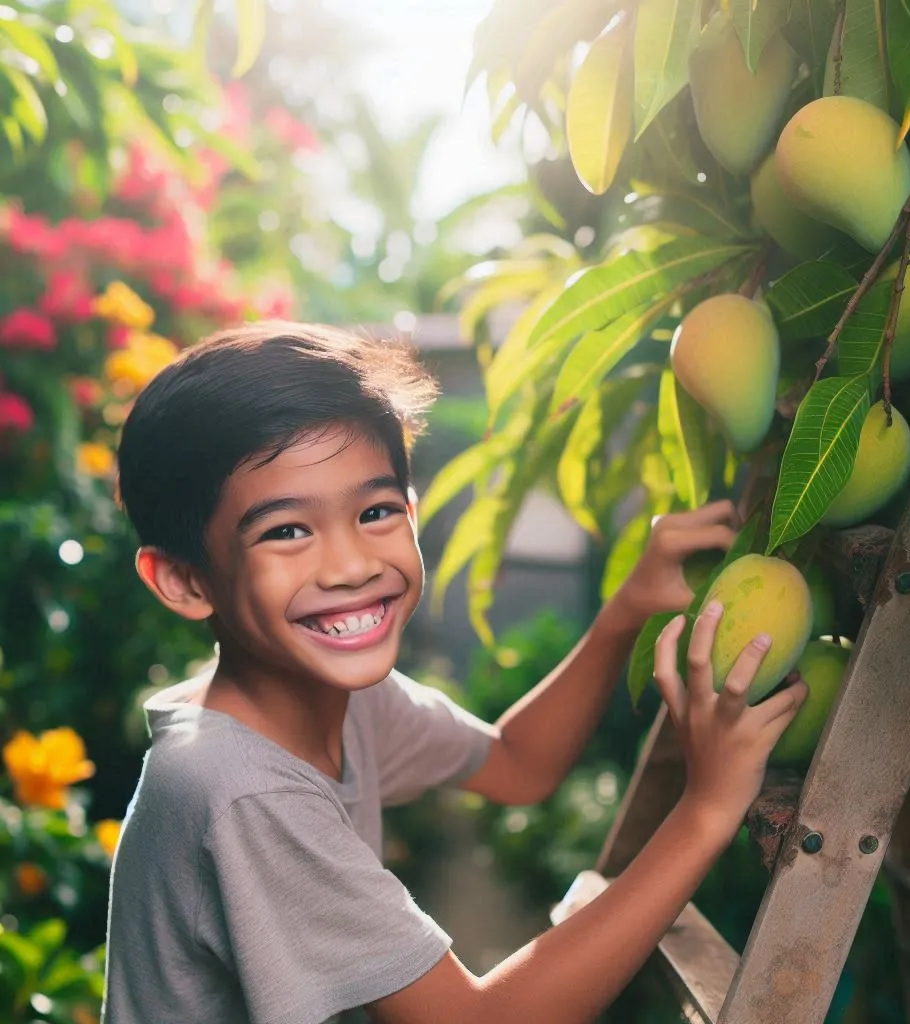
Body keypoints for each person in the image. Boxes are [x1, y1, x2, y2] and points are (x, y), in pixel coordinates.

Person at [102, 320, 807, 1024]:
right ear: (186, 580)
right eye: (287, 530)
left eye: (374, 512)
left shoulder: (344, 700)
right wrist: (707, 811)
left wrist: (625, 610)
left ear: (411, 514)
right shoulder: (237, 789)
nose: (352, 565)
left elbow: (517, 765)